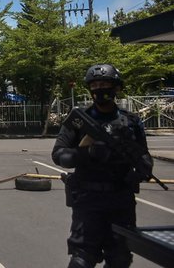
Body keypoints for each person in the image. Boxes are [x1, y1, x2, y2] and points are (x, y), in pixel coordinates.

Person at [52, 64, 153, 268]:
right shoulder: (80, 121)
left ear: (116, 88)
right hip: (88, 199)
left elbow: (143, 154)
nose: (100, 89)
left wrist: (143, 170)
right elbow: (58, 154)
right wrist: (86, 153)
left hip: (121, 198)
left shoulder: (130, 122)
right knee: (82, 258)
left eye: (105, 84)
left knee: (120, 258)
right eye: (95, 85)